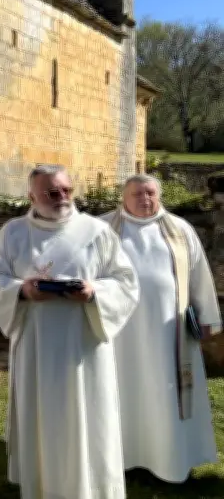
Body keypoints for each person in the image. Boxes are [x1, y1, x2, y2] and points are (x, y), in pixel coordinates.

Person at [0, 164, 139, 499]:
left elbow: (126, 281)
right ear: (31, 196)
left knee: (87, 415)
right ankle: (42, 486)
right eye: (52, 192)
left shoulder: (97, 232)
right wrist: (22, 290)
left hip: (84, 343)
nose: (62, 198)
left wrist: (94, 292)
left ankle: (90, 488)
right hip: (35, 345)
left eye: (66, 190)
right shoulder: (12, 234)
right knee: (43, 419)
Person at [101, 174, 222, 482]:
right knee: (121, 389)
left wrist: (208, 318)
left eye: (151, 193)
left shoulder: (180, 230)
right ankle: (122, 460)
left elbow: (198, 275)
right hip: (119, 333)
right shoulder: (102, 229)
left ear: (160, 195)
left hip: (170, 333)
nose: (145, 199)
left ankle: (171, 461)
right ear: (123, 197)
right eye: (138, 194)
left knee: (166, 392)